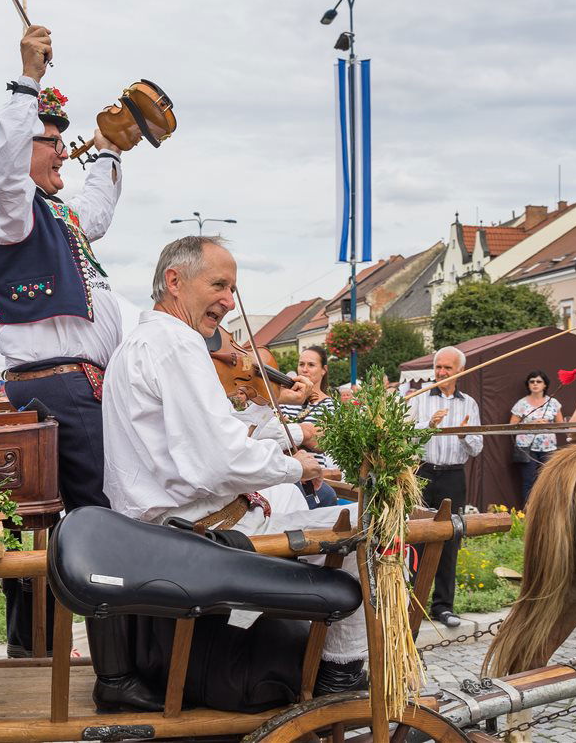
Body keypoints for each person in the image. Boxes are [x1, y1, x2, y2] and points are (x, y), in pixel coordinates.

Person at [102, 236, 366, 712]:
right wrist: (295, 465)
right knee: (364, 533)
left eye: (233, 288)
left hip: (174, 533)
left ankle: (315, 658)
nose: (229, 300)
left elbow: (209, 437)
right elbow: (218, 461)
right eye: (219, 285)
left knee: (328, 521)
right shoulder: (176, 344)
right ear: (174, 282)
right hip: (205, 539)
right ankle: (339, 678)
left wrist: (289, 440)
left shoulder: (141, 343)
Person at [0, 24, 135, 676]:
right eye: (52, 140)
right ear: (19, 146)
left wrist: (108, 155)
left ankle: (68, 656)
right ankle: (109, 667)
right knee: (97, 520)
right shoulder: (6, 208)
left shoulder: (52, 214)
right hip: (57, 388)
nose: (62, 149)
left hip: (74, 387)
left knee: (60, 524)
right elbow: (4, 163)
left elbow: (92, 214)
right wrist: (25, 80)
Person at [408, 346, 483, 630]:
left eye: (447, 368)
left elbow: (477, 448)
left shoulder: (470, 404)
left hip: (453, 475)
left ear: (459, 371)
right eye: (438, 367)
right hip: (423, 472)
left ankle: (443, 606)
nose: (441, 372)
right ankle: (412, 602)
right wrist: (428, 424)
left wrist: (464, 435)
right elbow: (405, 435)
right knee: (415, 537)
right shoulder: (419, 398)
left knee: (451, 538)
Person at [275, 346, 338, 508]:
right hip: (283, 474)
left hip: (312, 477)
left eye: (311, 365)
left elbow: (322, 443)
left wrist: (291, 431)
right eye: (301, 364)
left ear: (323, 370)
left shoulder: (330, 404)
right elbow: (274, 436)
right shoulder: (286, 401)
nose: (304, 369)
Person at [509, 369, 563, 502]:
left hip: (549, 448)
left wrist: (547, 425)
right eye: (531, 381)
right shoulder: (521, 403)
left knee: (548, 482)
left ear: (545, 385)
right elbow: (511, 427)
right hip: (527, 448)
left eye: (539, 381)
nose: (535, 384)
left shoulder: (553, 402)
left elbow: (561, 425)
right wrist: (531, 423)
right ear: (528, 385)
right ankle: (527, 515)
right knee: (529, 482)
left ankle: (546, 513)